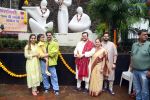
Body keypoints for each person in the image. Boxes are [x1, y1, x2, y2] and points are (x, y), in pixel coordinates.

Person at [130, 29, 150, 100]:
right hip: (135, 71)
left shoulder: (149, 44)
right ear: (139, 35)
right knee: (137, 89)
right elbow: (132, 56)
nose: (146, 36)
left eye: (147, 34)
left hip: (145, 72)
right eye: (144, 34)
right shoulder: (134, 45)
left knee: (145, 91)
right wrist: (131, 66)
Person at [40, 31, 60, 95]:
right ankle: (46, 88)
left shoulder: (55, 43)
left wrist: (43, 55)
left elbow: (53, 53)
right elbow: (40, 51)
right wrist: (41, 55)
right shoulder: (44, 43)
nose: (48, 36)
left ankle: (56, 89)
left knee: (53, 76)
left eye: (49, 35)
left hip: (51, 62)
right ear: (46, 36)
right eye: (47, 35)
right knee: (44, 76)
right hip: (43, 62)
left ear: (52, 35)